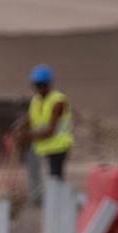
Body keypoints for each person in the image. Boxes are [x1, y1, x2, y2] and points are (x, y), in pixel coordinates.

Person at [25, 63, 73, 203]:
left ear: (48, 84)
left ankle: (57, 204)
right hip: (41, 146)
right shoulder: (36, 100)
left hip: (58, 146)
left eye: (42, 84)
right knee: (36, 174)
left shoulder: (58, 101)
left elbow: (50, 130)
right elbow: (30, 117)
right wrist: (19, 127)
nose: (39, 88)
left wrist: (26, 136)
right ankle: (41, 201)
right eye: (37, 85)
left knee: (55, 179)